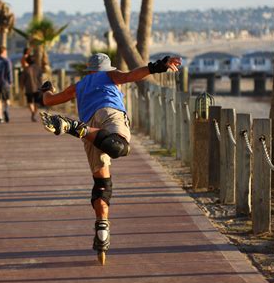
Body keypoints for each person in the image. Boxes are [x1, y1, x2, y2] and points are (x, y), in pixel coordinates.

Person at [39, 53, 182, 265]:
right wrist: (158, 66)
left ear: (89, 70)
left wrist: (46, 89)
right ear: (106, 68)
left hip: (90, 128)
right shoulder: (110, 76)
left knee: (102, 183)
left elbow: (50, 101)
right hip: (108, 114)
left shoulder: (79, 85)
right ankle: (74, 127)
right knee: (120, 147)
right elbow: (131, 75)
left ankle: (102, 227)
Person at [19, 55, 43, 122]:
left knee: (30, 102)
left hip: (28, 88)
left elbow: (22, 80)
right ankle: (34, 113)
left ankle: (32, 112)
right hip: (38, 88)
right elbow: (40, 78)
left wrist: (22, 87)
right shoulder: (38, 68)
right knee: (37, 102)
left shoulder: (26, 69)